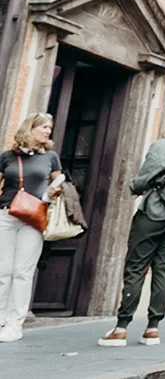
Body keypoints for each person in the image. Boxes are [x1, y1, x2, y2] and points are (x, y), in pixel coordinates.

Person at [98, 106, 165, 349]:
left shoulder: (163, 145)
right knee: (163, 269)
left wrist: (134, 186)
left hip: (156, 213)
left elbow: (145, 178)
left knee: (136, 266)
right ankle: (152, 328)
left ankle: (121, 327)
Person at [0, 113, 64, 343]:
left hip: (34, 216)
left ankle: (14, 324)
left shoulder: (51, 157)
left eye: (50, 127)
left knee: (22, 272)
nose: (48, 131)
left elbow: (60, 183)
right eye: (43, 127)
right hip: (6, 214)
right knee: (2, 270)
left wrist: (54, 191)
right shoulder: (7, 156)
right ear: (30, 128)